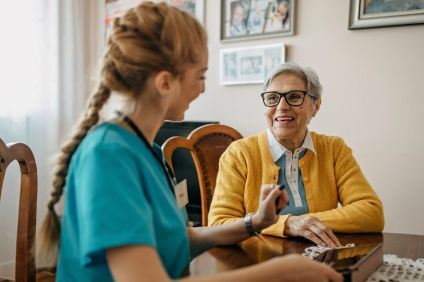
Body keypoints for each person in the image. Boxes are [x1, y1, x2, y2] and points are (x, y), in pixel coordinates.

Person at [39, 3, 342, 282]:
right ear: (165, 82)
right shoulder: (107, 156)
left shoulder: (149, 151)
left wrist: (255, 222)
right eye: (200, 76)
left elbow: (180, 238)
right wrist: (276, 273)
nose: (202, 88)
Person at [209, 62, 384, 248]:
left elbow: (372, 212)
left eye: (294, 97)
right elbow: (219, 224)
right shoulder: (239, 154)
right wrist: (287, 224)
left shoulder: (334, 149)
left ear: (315, 106)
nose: (282, 106)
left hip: (320, 260)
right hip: (257, 261)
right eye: (272, 98)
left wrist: (305, 223)